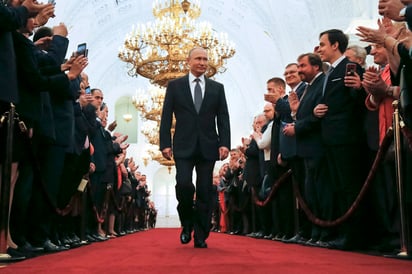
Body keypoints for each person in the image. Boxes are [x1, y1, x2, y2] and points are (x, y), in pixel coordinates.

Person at [159, 47, 231, 248]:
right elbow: (166, 116)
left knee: (204, 190)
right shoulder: (175, 86)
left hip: (209, 146)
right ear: (188, 61)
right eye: (198, 58)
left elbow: (223, 118)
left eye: (205, 59)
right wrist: (164, 143)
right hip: (182, 145)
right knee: (183, 185)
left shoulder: (218, 88)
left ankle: (201, 234)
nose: (202, 62)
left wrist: (225, 143)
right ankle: (186, 224)